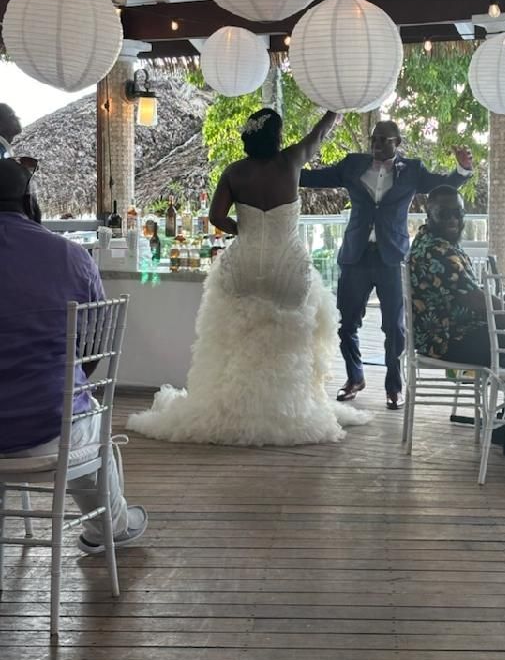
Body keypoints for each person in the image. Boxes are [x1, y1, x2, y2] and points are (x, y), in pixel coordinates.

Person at [128, 108, 371, 447]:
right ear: (276, 136)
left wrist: (243, 230)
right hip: (286, 266)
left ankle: (231, 410)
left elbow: (216, 216)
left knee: (233, 343)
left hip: (241, 264)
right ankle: (286, 411)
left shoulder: (234, 172)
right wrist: (334, 111)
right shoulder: (290, 162)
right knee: (289, 345)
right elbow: (317, 136)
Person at [0, 157, 147, 555]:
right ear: (31, 202)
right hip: (47, 429)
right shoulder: (69, 257)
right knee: (84, 410)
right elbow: (92, 352)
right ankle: (108, 528)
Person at [300, 120, 472, 410]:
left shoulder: (413, 171)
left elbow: (443, 185)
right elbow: (314, 178)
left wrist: (462, 169)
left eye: (383, 140)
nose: (376, 145)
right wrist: (283, 166)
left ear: (398, 143)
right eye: (374, 140)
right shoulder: (353, 165)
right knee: (346, 323)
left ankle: (394, 386)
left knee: (394, 328)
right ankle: (355, 378)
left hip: (392, 257)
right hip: (356, 255)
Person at [409, 186, 505, 461]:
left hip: (450, 333)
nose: (453, 220)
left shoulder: (431, 240)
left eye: (458, 213)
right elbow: (478, 300)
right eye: (444, 214)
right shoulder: (436, 251)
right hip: (450, 339)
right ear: (428, 214)